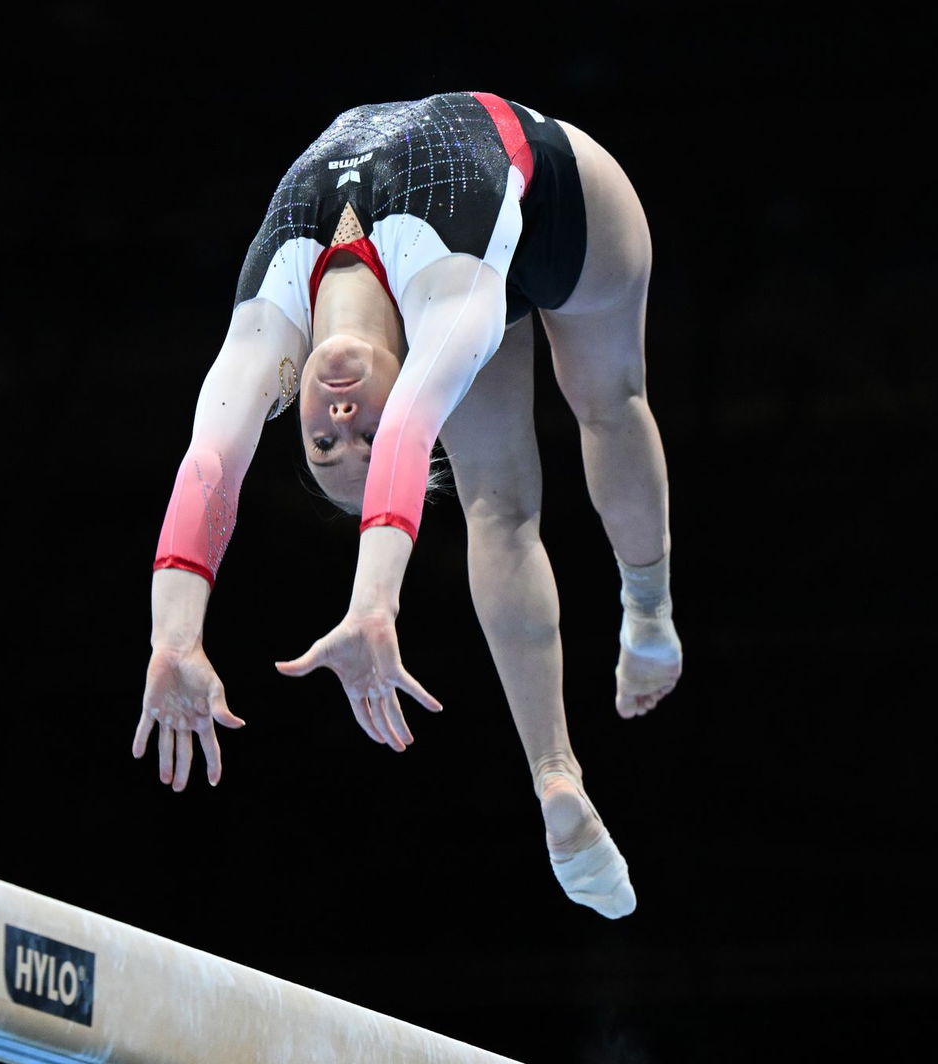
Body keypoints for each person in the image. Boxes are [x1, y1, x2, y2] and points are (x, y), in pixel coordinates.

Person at [132, 92, 679, 919]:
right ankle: (561, 769)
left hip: (535, 199)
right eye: (366, 435)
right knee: (541, 466)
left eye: (325, 443)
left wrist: (172, 637)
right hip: (555, 215)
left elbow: (210, 464)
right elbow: (408, 433)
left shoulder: (268, 332)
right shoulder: (450, 315)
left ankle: (648, 615)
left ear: (294, 412)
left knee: (596, 416)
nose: (342, 420)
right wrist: (372, 606)